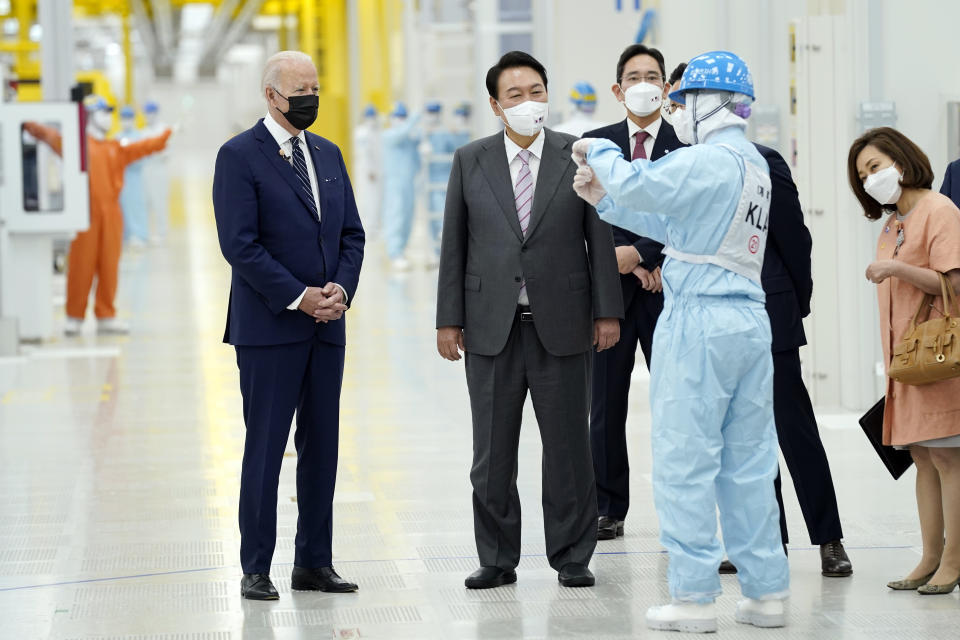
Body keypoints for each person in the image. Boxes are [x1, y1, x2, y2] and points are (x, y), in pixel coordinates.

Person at [572, 51, 790, 632]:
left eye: (682, 100)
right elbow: (680, 224)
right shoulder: (752, 165)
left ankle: (692, 599)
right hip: (747, 320)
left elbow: (643, 180)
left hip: (699, 323)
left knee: (684, 460)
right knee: (747, 461)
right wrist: (605, 201)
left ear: (711, 102)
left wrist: (597, 150)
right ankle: (766, 594)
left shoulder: (709, 159)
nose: (675, 110)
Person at [436, 50, 622, 591]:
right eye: (514, 95)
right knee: (492, 453)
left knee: (568, 447)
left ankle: (571, 555)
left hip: (562, 323)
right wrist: (449, 321)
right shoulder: (470, 160)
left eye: (536, 91)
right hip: (490, 326)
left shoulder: (577, 155)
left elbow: (599, 238)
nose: (528, 102)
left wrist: (607, 311)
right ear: (496, 104)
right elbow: (454, 246)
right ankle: (496, 556)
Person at [666, 61, 852, 579]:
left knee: (794, 429)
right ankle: (764, 544)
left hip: (768, 311)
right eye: (677, 101)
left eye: (688, 101)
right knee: (741, 439)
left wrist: (795, 304)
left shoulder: (761, 161)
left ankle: (830, 539)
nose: (680, 111)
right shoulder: (685, 165)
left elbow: (794, 240)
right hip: (712, 322)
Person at [212, 50, 365, 601]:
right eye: (299, 90)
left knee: (322, 447)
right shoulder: (239, 156)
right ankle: (256, 565)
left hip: (329, 325)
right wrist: (300, 298)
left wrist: (339, 291)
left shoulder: (327, 153)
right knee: (267, 446)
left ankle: (314, 563)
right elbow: (240, 246)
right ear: (271, 95)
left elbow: (352, 233)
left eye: (315, 88)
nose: (310, 99)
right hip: (270, 328)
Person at [849, 127, 960, 595]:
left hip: (938, 356)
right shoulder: (894, 223)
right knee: (922, 456)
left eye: (875, 166)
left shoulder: (939, 211)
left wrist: (896, 268)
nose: (870, 178)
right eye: (862, 174)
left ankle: (953, 561)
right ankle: (930, 557)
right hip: (906, 363)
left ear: (900, 159)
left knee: (947, 456)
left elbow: (952, 280)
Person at [583, 44, 685, 542]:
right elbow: (586, 213)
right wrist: (622, 256)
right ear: (618, 89)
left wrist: (644, 255)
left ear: (666, 88)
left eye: (653, 76)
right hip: (611, 295)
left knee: (676, 403)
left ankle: (679, 506)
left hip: (669, 289)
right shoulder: (595, 144)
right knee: (604, 404)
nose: (644, 84)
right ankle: (609, 506)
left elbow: (683, 211)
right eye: (634, 76)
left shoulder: (685, 147)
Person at [24, 95, 171, 336]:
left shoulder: (115, 147)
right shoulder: (78, 146)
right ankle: (74, 316)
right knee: (82, 264)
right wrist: (25, 122)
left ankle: (106, 315)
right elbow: (51, 137)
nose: (109, 118)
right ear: (90, 116)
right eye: (104, 113)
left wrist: (166, 136)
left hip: (112, 213)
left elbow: (143, 147)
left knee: (109, 264)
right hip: (86, 213)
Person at [422, 101, 470, 265]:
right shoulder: (423, 132)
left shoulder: (445, 132)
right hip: (429, 179)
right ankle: (435, 253)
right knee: (432, 219)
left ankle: (445, 253)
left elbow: (457, 149)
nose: (432, 115)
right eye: (429, 111)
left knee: (443, 213)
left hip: (444, 177)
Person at [381, 101, 421, 271]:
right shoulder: (389, 135)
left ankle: (402, 250)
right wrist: (414, 118)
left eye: (403, 116)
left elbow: (416, 154)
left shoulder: (408, 138)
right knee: (396, 216)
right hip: (395, 184)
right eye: (398, 117)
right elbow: (402, 133)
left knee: (407, 217)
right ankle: (394, 252)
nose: (401, 120)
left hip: (409, 183)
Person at [117, 106, 150, 247]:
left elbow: (143, 157)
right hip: (121, 177)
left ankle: (140, 235)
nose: (126, 121)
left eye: (128, 118)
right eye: (123, 118)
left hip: (135, 177)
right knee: (122, 207)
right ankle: (126, 236)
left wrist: (130, 159)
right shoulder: (116, 137)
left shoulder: (139, 137)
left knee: (137, 205)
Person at [141, 101, 171, 244]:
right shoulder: (144, 131)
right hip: (147, 169)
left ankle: (162, 233)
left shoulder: (164, 130)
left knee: (160, 202)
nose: (148, 116)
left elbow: (166, 152)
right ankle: (146, 233)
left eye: (151, 113)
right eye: (146, 113)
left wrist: (152, 152)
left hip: (159, 170)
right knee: (146, 202)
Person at [352, 104, 382, 239]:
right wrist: (370, 169)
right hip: (366, 171)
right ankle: (368, 227)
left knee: (375, 199)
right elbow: (364, 153)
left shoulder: (376, 132)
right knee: (367, 198)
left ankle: (373, 226)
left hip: (374, 170)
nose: (371, 119)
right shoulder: (362, 132)